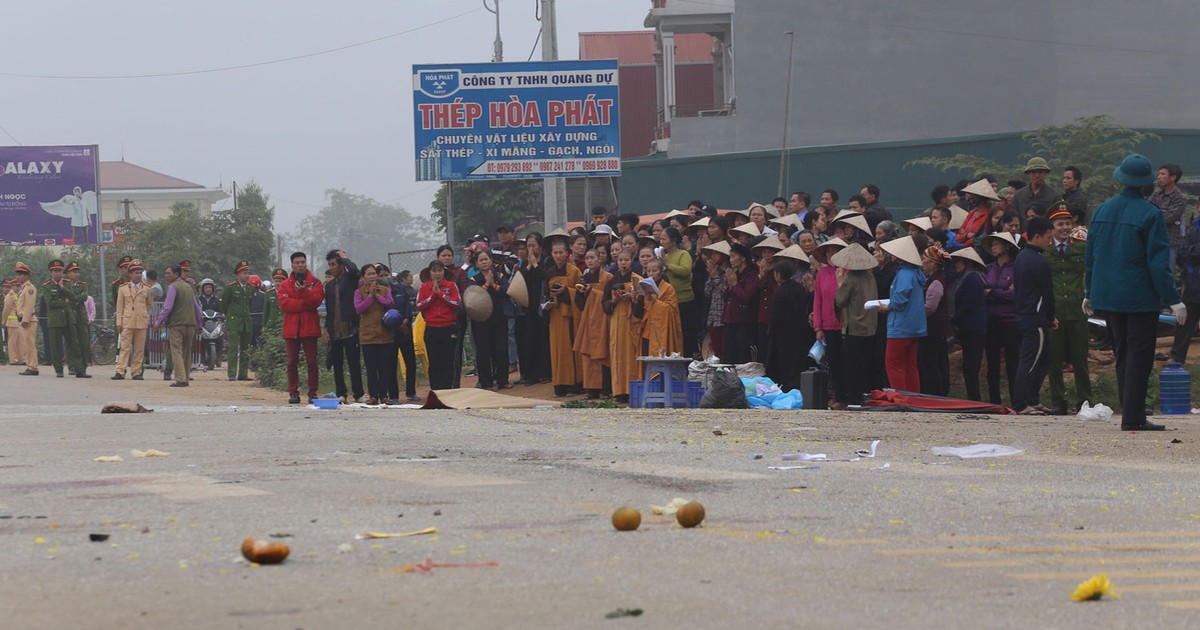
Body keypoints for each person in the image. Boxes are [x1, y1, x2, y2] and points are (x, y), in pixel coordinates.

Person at [1086, 154, 1185, 431]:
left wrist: (1088, 291)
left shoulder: (1102, 210)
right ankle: (1134, 417)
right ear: (1145, 183)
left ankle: (1130, 413)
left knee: (1123, 355)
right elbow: (1157, 262)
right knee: (1139, 357)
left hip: (1109, 297)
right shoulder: (1150, 214)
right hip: (1140, 298)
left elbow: (1092, 255)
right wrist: (1174, 298)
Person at [1043, 203, 1092, 415]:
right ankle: (1058, 402)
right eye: (1060, 223)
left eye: (1068, 223)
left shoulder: (1081, 246)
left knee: (1080, 359)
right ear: (1051, 227)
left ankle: (1085, 401)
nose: (1064, 227)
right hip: (1054, 311)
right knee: (1054, 360)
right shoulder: (1045, 248)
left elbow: (1090, 271)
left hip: (1077, 309)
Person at [1013, 216, 1058, 415]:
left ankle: (1032, 399)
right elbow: (1047, 293)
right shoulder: (1038, 261)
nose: (1050, 242)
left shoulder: (1022, 256)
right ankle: (1021, 404)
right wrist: (1050, 317)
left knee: (1045, 358)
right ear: (1037, 237)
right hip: (1035, 318)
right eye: (1049, 238)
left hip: (1027, 315)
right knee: (1030, 361)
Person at [832, 243, 879, 404]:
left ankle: (855, 399)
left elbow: (840, 300)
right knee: (866, 365)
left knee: (853, 368)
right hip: (870, 326)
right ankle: (866, 396)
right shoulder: (870, 277)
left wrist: (839, 283)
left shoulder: (851, 279)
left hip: (854, 328)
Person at [879, 236, 927, 393]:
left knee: (893, 363)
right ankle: (914, 396)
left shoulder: (905, 273)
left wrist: (888, 307)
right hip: (915, 326)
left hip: (900, 326)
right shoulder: (916, 273)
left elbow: (900, 299)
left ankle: (901, 396)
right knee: (910, 364)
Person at [278, 253, 325, 403]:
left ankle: (312, 393)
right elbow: (285, 305)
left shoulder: (315, 282)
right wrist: (305, 303)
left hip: (309, 328)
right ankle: (293, 393)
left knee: (312, 362)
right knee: (291, 362)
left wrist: (303, 291)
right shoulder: (285, 284)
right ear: (292, 265)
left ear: (306, 264)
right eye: (297, 262)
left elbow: (316, 301)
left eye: (302, 262)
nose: (300, 265)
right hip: (291, 328)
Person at [981, 232, 1021, 406]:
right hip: (991, 321)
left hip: (1010, 321)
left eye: (996, 244)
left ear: (1007, 246)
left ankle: (1016, 400)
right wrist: (1001, 293)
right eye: (992, 244)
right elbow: (983, 292)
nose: (993, 247)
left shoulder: (1016, 269)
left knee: (1013, 363)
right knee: (992, 365)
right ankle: (994, 401)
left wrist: (993, 292)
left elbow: (1014, 295)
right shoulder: (989, 268)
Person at [323, 249, 363, 403]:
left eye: (334, 264)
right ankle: (341, 393)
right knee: (337, 363)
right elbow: (329, 309)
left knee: (354, 363)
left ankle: (358, 394)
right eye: (329, 265)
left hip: (351, 328)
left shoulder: (351, 279)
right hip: (335, 329)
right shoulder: (329, 286)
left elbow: (354, 270)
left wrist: (345, 258)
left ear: (341, 265)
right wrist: (327, 329)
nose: (331, 267)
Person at [468, 251, 512, 391]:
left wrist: (494, 285)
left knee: (501, 349)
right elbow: (473, 298)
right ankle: (486, 383)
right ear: (476, 264)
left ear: (491, 260)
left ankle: (502, 380)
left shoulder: (499, 276)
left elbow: (507, 290)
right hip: (481, 321)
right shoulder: (474, 280)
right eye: (480, 260)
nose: (484, 262)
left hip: (499, 318)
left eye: (486, 259)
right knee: (483, 351)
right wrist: (487, 284)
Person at [811, 238, 847, 407]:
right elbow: (817, 301)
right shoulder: (822, 274)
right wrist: (818, 327)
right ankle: (837, 396)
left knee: (847, 362)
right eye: (829, 251)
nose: (832, 254)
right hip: (829, 325)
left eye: (836, 251)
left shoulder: (849, 272)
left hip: (847, 325)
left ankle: (846, 397)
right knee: (833, 363)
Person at [603, 249, 643, 403]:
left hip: (632, 323)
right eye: (620, 260)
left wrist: (632, 298)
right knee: (617, 356)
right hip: (616, 324)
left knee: (631, 357)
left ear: (631, 261)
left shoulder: (637, 280)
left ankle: (632, 390)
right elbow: (604, 304)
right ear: (616, 262)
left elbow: (643, 305)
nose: (623, 263)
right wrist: (614, 300)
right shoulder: (612, 281)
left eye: (626, 260)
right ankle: (619, 392)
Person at [353, 263, 396, 405]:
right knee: (371, 368)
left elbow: (390, 304)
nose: (372, 276)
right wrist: (370, 296)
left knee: (384, 367)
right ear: (363, 277)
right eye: (369, 274)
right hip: (367, 336)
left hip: (384, 335)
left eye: (373, 274)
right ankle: (373, 395)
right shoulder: (358, 292)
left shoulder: (384, 289)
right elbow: (359, 309)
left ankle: (384, 395)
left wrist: (377, 295)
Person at [153, 265, 203, 388]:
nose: (166, 276)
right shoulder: (189, 287)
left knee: (176, 351)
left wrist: (158, 322)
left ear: (176, 274)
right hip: (190, 325)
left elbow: (167, 307)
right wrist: (199, 324)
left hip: (177, 324)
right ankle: (186, 378)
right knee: (187, 353)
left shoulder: (172, 287)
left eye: (168, 273)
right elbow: (197, 308)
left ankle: (180, 379)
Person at [417, 260, 462, 391]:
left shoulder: (452, 285)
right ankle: (436, 390)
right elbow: (419, 305)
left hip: (449, 327)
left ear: (444, 272)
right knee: (434, 361)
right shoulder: (424, 287)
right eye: (434, 271)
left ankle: (447, 389)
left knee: (448, 360)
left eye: (440, 270)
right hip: (432, 328)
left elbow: (456, 303)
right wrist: (432, 295)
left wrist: (441, 294)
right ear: (429, 273)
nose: (437, 273)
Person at [573, 249, 612, 399]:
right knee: (588, 354)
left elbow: (609, 298)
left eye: (592, 258)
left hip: (603, 321)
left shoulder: (608, 277)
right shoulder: (584, 278)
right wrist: (582, 293)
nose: (589, 261)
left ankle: (605, 389)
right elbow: (579, 303)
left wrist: (593, 291)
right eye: (587, 258)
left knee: (603, 353)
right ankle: (591, 389)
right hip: (588, 320)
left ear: (599, 259)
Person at [544, 240, 582, 396]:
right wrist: (548, 302)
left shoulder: (574, 271)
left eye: (561, 252)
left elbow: (580, 293)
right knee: (556, 350)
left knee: (569, 349)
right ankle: (559, 385)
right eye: (555, 253)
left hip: (570, 316)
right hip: (555, 315)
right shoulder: (549, 272)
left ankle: (572, 385)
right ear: (552, 254)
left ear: (567, 254)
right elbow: (545, 293)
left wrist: (566, 291)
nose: (558, 256)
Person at [950, 248, 988, 401]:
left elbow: (968, 305)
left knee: (971, 367)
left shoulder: (972, 278)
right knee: (969, 367)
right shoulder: (971, 277)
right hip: (971, 327)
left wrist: (954, 319)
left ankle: (974, 398)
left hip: (973, 328)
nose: (956, 265)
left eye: (958, 261)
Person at [40, 259, 87, 379]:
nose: (58, 273)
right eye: (55, 271)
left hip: (68, 318)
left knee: (74, 345)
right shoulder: (47, 286)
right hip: (55, 320)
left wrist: (62, 287)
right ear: (51, 272)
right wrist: (64, 302)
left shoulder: (66, 283)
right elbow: (50, 303)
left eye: (60, 271)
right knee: (55, 347)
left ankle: (79, 370)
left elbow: (72, 297)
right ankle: (59, 370)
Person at [515, 235, 552, 385]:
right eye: (528, 246)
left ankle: (544, 373)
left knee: (543, 340)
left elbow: (546, 276)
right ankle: (529, 375)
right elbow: (518, 280)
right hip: (527, 306)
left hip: (542, 305)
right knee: (528, 340)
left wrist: (536, 265)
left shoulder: (547, 260)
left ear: (541, 247)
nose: (530, 249)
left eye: (533, 246)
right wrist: (529, 266)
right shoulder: (524, 263)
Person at [659, 227, 697, 359]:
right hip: (669, 301)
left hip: (684, 300)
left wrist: (667, 264)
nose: (661, 241)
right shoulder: (666, 256)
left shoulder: (683, 254)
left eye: (664, 239)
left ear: (674, 240)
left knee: (685, 334)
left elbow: (685, 271)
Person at [918, 246, 951, 396]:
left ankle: (936, 394)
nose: (922, 261)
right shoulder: (931, 279)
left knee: (932, 365)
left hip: (933, 331)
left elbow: (930, 307)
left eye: (924, 258)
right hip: (931, 330)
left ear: (932, 262)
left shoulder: (937, 282)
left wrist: (915, 315)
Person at [112, 259, 152, 380]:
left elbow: (149, 304)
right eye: (135, 273)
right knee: (125, 347)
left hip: (141, 322)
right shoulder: (123, 288)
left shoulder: (146, 288)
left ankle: (136, 371)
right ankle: (120, 370)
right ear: (130, 274)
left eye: (140, 273)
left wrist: (143, 313)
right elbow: (119, 307)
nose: (138, 275)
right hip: (127, 321)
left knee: (139, 349)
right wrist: (119, 322)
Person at [634, 258, 683, 357]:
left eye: (654, 271)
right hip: (647, 330)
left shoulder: (668, 288)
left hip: (662, 330)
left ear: (661, 272)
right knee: (645, 360)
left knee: (659, 359)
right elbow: (639, 313)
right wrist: (637, 299)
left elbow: (671, 310)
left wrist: (654, 301)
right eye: (648, 271)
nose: (651, 274)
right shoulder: (644, 287)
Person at [722, 242, 760, 365]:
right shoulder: (735, 274)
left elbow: (747, 296)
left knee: (741, 355)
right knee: (728, 354)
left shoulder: (752, 274)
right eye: (730, 256)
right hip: (730, 319)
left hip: (744, 320)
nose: (730, 260)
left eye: (733, 256)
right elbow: (726, 297)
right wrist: (730, 285)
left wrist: (735, 284)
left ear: (743, 258)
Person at [1147, 163, 1187, 272]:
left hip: (1169, 244)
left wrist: (1154, 213)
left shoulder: (1180, 198)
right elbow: (1146, 213)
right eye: (1158, 174)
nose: (1158, 177)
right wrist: (1159, 212)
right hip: (1152, 241)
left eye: (1162, 174)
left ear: (1173, 177)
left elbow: (1168, 218)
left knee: (1167, 274)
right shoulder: (1156, 194)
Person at [222, 261, 255, 381]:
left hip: (246, 322)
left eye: (248, 273)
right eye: (245, 273)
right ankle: (231, 374)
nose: (247, 276)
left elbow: (249, 304)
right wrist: (230, 316)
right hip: (234, 322)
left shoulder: (251, 288)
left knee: (246, 349)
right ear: (238, 274)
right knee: (233, 348)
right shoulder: (231, 288)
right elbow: (224, 305)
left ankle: (243, 374)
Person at [1174, 212, 1200, 364]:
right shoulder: (1195, 228)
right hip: (1194, 286)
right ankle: (1177, 358)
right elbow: (1182, 254)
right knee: (1185, 323)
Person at [64, 261, 91, 370]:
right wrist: (76, 297)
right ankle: (72, 366)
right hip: (69, 316)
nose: (77, 274)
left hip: (81, 316)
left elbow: (84, 297)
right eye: (74, 272)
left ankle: (83, 366)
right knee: (70, 342)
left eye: (77, 272)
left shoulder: (83, 285)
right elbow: (65, 299)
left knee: (84, 342)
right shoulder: (64, 285)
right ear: (67, 273)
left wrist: (72, 297)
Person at [12, 263, 39, 375]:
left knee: (29, 344)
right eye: (17, 274)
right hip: (22, 320)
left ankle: (33, 367)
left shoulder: (30, 288)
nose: (18, 277)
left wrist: (25, 320)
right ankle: (30, 365)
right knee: (26, 345)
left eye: (20, 274)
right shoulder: (23, 288)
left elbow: (29, 305)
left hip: (28, 320)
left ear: (26, 276)